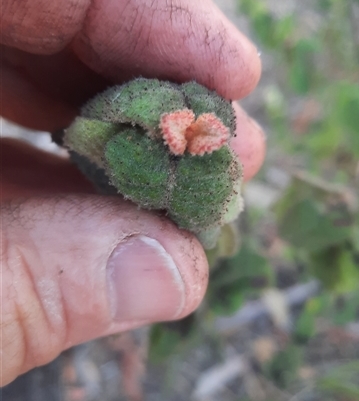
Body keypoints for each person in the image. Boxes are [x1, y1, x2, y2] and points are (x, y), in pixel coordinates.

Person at [0, 0, 266, 387]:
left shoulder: (204, 169)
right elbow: (89, 133)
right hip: (122, 147)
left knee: (212, 232)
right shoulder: (138, 148)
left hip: (157, 168)